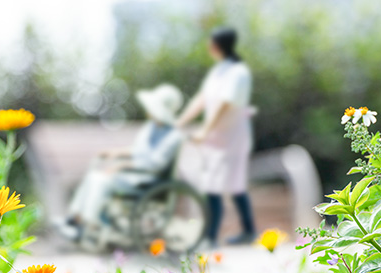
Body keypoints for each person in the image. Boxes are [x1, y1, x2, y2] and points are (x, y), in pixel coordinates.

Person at [62, 84, 184, 240]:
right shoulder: (151, 128)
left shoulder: (173, 137)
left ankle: (87, 225)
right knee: (94, 175)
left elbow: (155, 164)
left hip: (146, 180)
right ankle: (75, 218)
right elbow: (138, 151)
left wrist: (123, 166)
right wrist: (115, 153)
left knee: (101, 181)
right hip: (133, 174)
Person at [176, 27, 256, 246]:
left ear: (218, 45)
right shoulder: (219, 71)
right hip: (217, 137)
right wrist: (180, 122)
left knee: (227, 184)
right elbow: (201, 99)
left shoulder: (238, 72)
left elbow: (225, 104)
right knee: (219, 184)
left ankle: (214, 236)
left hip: (233, 136)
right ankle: (237, 232)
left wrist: (205, 130)